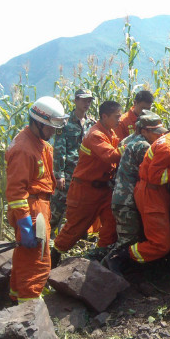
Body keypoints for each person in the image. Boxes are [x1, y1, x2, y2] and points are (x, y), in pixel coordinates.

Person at [105, 116, 170, 273]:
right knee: (160, 244)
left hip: (159, 193)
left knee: (165, 235)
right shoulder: (167, 147)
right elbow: (154, 177)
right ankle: (120, 256)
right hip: (151, 194)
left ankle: (136, 261)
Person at [5, 96, 68, 302]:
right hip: (32, 211)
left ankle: (16, 299)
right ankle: (29, 312)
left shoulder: (38, 143)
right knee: (37, 264)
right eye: (49, 127)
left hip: (39, 207)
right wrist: (24, 223)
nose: (52, 132)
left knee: (25, 260)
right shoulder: (24, 149)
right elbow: (16, 191)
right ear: (38, 122)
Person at [51, 101, 123, 267]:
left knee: (111, 223)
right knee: (76, 227)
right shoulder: (95, 134)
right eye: (117, 116)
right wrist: (132, 146)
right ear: (105, 116)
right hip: (85, 189)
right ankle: (55, 255)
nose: (120, 119)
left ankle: (100, 256)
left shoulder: (109, 132)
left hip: (104, 189)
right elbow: (111, 156)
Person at [110, 112, 167, 252]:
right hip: (126, 202)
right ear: (144, 131)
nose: (159, 135)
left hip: (124, 200)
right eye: (155, 132)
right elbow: (154, 172)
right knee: (126, 243)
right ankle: (105, 265)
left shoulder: (131, 140)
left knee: (128, 240)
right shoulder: (143, 146)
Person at [50, 89, 96, 239]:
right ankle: (47, 238)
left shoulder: (92, 124)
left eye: (89, 100)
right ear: (76, 101)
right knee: (57, 207)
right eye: (83, 100)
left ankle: (78, 240)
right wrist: (59, 175)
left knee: (80, 210)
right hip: (68, 173)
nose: (87, 103)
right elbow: (59, 149)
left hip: (84, 175)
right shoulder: (65, 123)